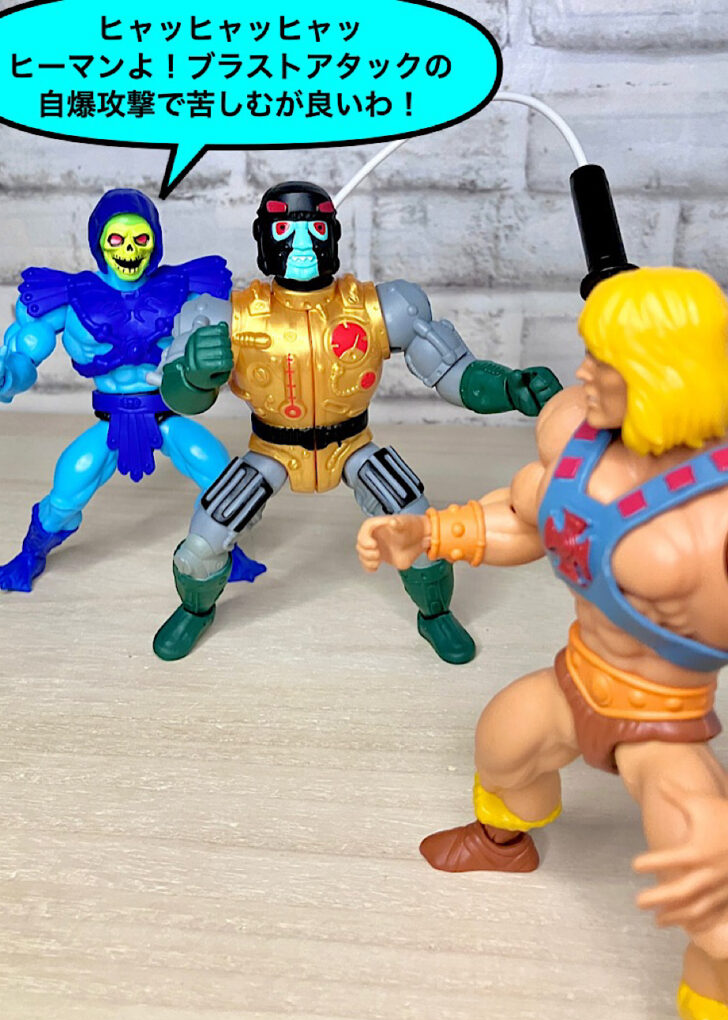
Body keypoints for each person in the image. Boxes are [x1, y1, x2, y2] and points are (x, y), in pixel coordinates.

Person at [357, 266, 728, 1020]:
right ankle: (503, 844)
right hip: (577, 678)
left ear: (666, 376)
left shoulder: (715, 518)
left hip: (663, 723)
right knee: (503, 743)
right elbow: (528, 520)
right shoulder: (574, 432)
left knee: (706, 878)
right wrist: (429, 533)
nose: (584, 372)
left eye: (606, 363)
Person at [151, 180, 561, 664]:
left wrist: (508, 387)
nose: (302, 245)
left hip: (352, 445)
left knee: (420, 531)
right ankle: (195, 609)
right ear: (264, 239)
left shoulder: (378, 308)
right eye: (285, 230)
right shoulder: (226, 316)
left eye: (315, 230)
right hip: (272, 451)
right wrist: (194, 371)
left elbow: (454, 372)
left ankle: (434, 614)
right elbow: (178, 397)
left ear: (333, 235)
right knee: (201, 547)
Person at [0, 188, 261, 591]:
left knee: (224, 484)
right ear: (99, 242)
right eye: (116, 239)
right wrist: (8, 374)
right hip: (112, 418)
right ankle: (29, 554)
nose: (129, 250)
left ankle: (222, 550)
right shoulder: (69, 297)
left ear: (155, 241)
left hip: (167, 411)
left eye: (140, 238)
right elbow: (25, 353)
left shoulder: (186, 288)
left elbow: (235, 342)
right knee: (64, 498)